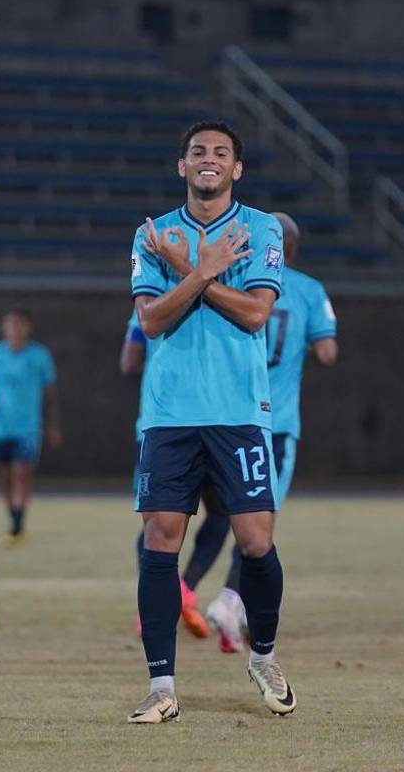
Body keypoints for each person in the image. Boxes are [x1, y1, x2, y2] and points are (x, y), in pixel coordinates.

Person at [126, 119, 293, 723]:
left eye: (221, 153)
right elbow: (149, 322)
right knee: (160, 539)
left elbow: (255, 314)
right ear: (181, 165)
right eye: (198, 151)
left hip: (238, 413)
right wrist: (199, 270)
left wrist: (189, 271)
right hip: (170, 416)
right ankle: (162, 686)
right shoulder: (153, 235)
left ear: (236, 169)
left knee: (256, 542)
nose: (209, 159)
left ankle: (264, 655)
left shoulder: (261, 228)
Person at [205, 211, 338, 653]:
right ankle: (230, 600)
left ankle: (233, 609)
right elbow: (327, 352)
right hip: (274, 423)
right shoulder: (307, 290)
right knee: (260, 526)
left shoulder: (234, 280)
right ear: (294, 249)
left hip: (227, 418)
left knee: (231, 516)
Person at [121, 311, 221, 639]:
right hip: (216, 419)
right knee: (222, 512)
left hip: (160, 424)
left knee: (154, 522)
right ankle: (186, 587)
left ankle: (154, 603)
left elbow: (129, 361)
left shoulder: (152, 300)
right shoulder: (217, 299)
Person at [0, 309, 60, 546]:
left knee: (21, 474)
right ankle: (13, 517)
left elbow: (50, 394)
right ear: (3, 329)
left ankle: (18, 525)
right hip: (0, 426)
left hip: (28, 427)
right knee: (5, 476)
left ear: (28, 328)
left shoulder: (40, 356)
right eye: (11, 324)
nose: (15, 329)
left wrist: (53, 424)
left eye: (20, 324)